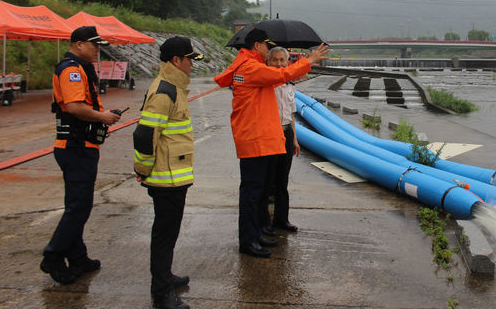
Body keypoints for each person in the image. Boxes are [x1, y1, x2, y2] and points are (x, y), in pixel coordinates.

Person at [214, 28, 329, 258]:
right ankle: (248, 241)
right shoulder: (250, 67)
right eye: (267, 46)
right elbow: (280, 75)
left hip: (258, 138)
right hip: (254, 139)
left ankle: (255, 234)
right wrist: (309, 61)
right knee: (252, 194)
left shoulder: (246, 65)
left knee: (257, 192)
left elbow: (271, 76)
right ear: (257, 45)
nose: (269, 50)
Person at [40, 26, 122, 284]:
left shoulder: (80, 68)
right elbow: (75, 107)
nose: (97, 49)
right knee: (79, 207)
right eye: (93, 44)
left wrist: (100, 115)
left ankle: (78, 256)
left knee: (77, 205)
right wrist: (103, 117)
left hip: (79, 145)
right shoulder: (72, 70)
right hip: (75, 147)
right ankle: (53, 255)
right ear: (77, 44)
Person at [133, 36, 204, 309]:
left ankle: (165, 277)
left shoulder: (174, 87)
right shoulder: (165, 91)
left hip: (174, 175)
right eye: (189, 60)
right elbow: (145, 135)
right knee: (164, 234)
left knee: (169, 232)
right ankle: (162, 292)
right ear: (177, 60)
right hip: (166, 178)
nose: (192, 65)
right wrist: (142, 169)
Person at [259, 46, 300, 235]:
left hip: (286, 133)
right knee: (268, 182)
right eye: (274, 60)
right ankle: (264, 224)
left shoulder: (290, 84)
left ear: (287, 62)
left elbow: (291, 114)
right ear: (267, 62)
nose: (278, 64)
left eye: (282, 60)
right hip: (270, 134)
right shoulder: (265, 85)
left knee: (283, 181)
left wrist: (295, 139)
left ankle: (282, 220)